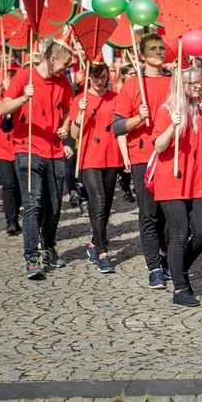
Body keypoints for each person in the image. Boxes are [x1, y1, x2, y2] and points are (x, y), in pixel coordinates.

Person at [0, 37, 74, 279]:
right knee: (32, 205)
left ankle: (49, 249)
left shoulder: (63, 82)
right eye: (64, 65)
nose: (67, 69)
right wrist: (24, 98)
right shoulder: (24, 77)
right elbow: (3, 108)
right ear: (52, 59)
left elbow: (66, 111)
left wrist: (64, 128)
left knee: (53, 207)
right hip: (27, 149)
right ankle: (32, 258)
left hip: (54, 150)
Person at [151, 68, 202, 307]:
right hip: (171, 181)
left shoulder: (198, 112)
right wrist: (172, 127)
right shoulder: (168, 110)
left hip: (196, 180)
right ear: (183, 84)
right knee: (179, 233)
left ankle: (178, 268)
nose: (200, 85)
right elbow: (158, 146)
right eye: (195, 82)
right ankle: (180, 288)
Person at [113, 33, 172, 289]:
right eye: (153, 49)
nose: (159, 52)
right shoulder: (132, 85)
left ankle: (166, 255)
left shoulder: (174, 82)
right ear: (142, 55)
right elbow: (116, 127)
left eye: (161, 48)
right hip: (142, 157)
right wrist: (138, 118)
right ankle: (154, 268)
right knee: (149, 214)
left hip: (170, 155)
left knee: (171, 215)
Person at [70, 61, 123, 273]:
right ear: (89, 78)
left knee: (105, 205)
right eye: (95, 78)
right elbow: (74, 135)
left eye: (103, 77)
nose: (99, 82)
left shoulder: (115, 98)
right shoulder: (79, 100)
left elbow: (121, 128)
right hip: (89, 157)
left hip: (111, 157)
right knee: (99, 201)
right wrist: (80, 115)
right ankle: (103, 253)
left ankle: (93, 242)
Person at [0, 90, 21, 236]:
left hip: (19, 147)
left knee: (18, 185)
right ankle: (10, 221)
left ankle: (15, 216)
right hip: (2, 149)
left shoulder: (21, 100)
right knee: (8, 184)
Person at [114, 63, 136, 203]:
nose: (133, 76)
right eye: (130, 74)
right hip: (123, 126)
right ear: (123, 75)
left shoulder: (137, 86)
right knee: (124, 161)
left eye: (135, 73)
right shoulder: (118, 90)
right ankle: (126, 188)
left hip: (133, 127)